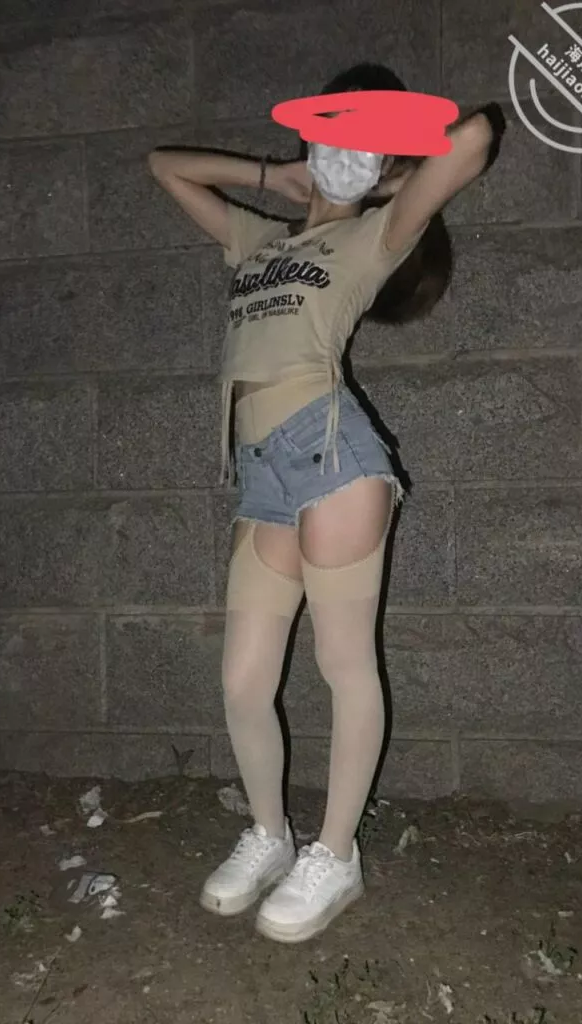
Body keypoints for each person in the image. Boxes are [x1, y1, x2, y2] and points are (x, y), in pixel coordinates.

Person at [149, 63, 504, 944]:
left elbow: (474, 137)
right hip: (262, 472)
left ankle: (336, 855)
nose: (348, 146)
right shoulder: (257, 240)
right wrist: (279, 177)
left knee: (344, 666)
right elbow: (165, 167)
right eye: (337, 129)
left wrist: (386, 171)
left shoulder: (375, 235)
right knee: (242, 680)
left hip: (333, 455)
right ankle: (270, 834)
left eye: (365, 141)